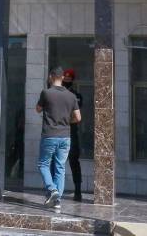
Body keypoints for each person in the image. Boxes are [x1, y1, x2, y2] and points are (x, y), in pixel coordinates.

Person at [35, 66, 81, 209]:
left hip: (50, 134)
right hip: (65, 136)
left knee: (43, 164)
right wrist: (66, 121)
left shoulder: (46, 93)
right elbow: (78, 118)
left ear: (51, 76)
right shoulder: (71, 96)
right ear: (62, 77)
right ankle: (57, 201)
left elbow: (37, 109)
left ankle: (52, 189)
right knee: (60, 167)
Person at [63, 68, 84, 201]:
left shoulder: (76, 96)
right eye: (65, 78)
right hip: (59, 131)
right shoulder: (57, 93)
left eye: (69, 79)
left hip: (71, 132)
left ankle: (77, 190)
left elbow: (76, 114)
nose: (66, 80)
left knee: (74, 161)